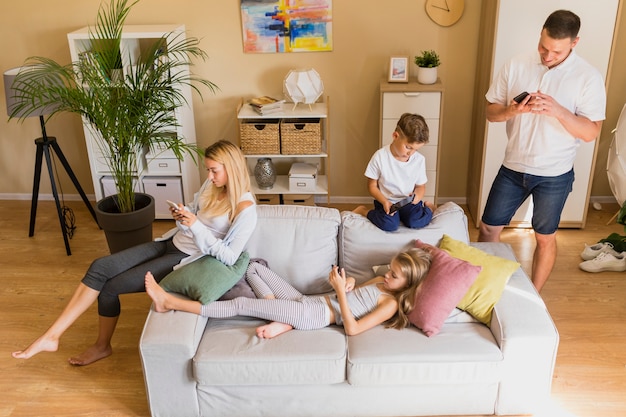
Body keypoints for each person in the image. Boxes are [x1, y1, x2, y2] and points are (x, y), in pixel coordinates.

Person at [12, 140, 257, 365]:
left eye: (214, 170)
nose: (209, 175)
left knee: (109, 288)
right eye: (208, 169)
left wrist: (196, 226)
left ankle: (101, 346)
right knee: (99, 266)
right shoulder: (211, 185)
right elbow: (194, 211)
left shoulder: (245, 209)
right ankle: (52, 336)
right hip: (170, 242)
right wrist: (183, 217)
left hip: (184, 258)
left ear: (232, 169)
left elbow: (228, 257)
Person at [478, 9, 606, 292]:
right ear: (540, 34)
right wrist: (511, 110)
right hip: (512, 168)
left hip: (554, 175)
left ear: (575, 42)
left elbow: (591, 132)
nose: (547, 56)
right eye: (543, 47)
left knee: (545, 237)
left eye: (556, 52)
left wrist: (559, 111)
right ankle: (487, 289)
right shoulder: (516, 64)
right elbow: (490, 113)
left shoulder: (588, 77)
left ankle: (533, 297)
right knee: (488, 229)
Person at [144, 248, 432, 339]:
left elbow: (353, 328)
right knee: (254, 268)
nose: (387, 274)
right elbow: (358, 291)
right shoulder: (382, 282)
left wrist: (340, 295)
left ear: (407, 284)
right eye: (390, 269)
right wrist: (350, 283)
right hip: (307, 301)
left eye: (394, 275)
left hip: (317, 314)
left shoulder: (390, 304)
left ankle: (169, 302)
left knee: (243, 303)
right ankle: (280, 314)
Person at [353, 113, 435, 232]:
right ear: (395, 136)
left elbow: (420, 186)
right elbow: (372, 186)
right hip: (386, 202)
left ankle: (429, 208)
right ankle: (364, 211)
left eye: (416, 149)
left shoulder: (419, 160)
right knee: (389, 225)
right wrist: (384, 201)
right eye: (408, 147)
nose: (410, 153)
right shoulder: (380, 157)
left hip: (408, 203)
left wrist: (417, 197)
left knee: (416, 221)